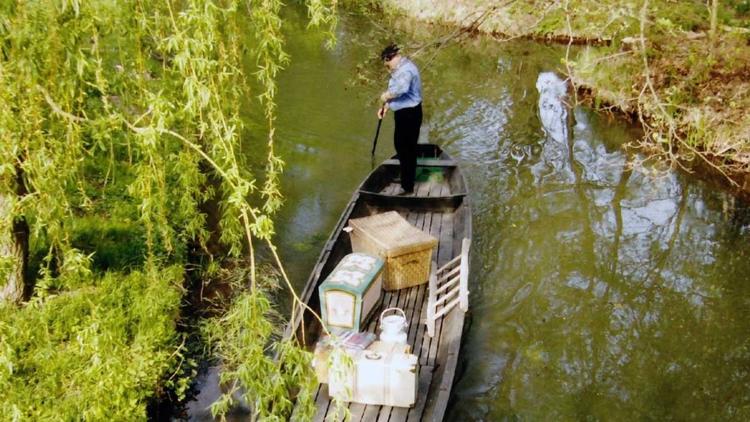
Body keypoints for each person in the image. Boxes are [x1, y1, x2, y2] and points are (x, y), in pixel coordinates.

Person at [377, 44, 422, 195]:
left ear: (391, 58)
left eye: (387, 64)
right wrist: (386, 107)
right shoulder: (400, 68)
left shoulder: (406, 70)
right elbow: (400, 95)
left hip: (410, 113)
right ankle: (406, 178)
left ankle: (407, 186)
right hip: (403, 112)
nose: (388, 68)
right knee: (402, 147)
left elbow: (400, 89)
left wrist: (385, 96)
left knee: (406, 149)